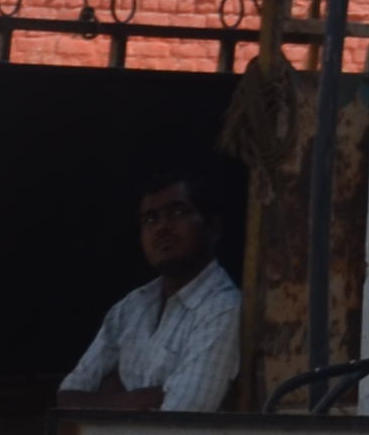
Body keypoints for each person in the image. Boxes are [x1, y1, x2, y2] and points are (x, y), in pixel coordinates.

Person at [61, 160, 245, 415]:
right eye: (150, 219)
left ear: (213, 228)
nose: (162, 227)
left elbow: (178, 419)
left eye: (178, 212)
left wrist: (110, 394)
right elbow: (67, 399)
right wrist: (151, 396)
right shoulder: (130, 308)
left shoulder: (224, 309)